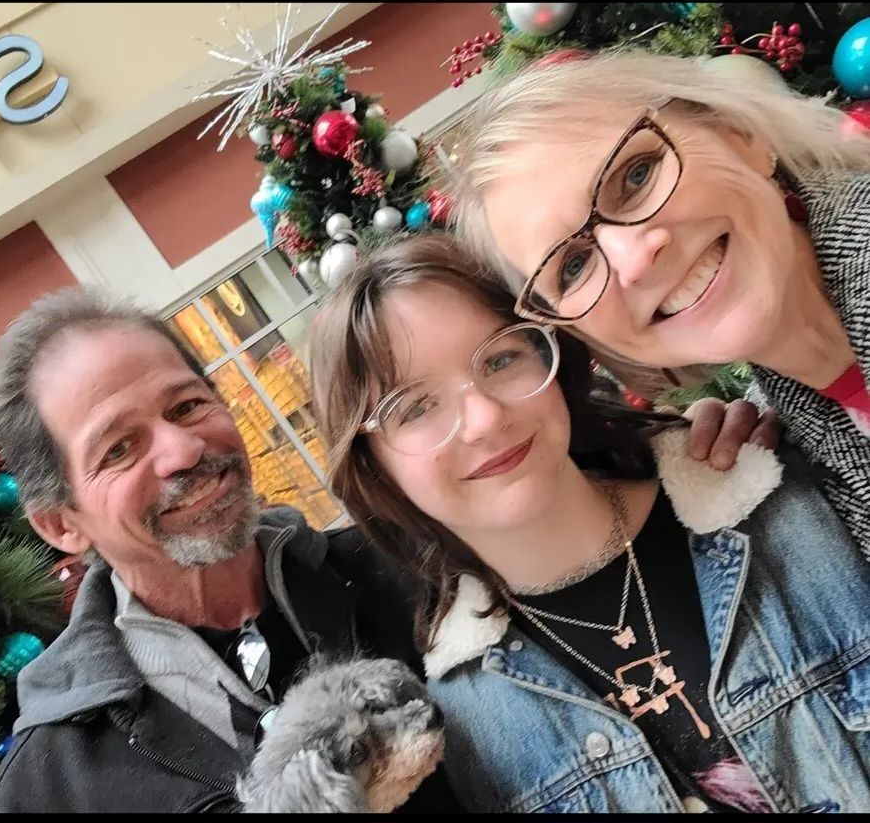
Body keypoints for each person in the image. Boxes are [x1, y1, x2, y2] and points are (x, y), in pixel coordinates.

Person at [310, 234, 870, 814]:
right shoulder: (465, 726)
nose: (483, 418)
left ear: (550, 358)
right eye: (416, 407)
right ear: (372, 465)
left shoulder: (782, 501)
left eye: (500, 359)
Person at [0, 287, 452, 813]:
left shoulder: (415, 567)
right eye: (118, 448)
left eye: (187, 406)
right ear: (61, 525)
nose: (184, 450)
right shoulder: (49, 792)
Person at [448, 49, 870, 549]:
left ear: (740, 135)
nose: (633, 260)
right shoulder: (793, 431)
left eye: (636, 176)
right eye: (574, 267)